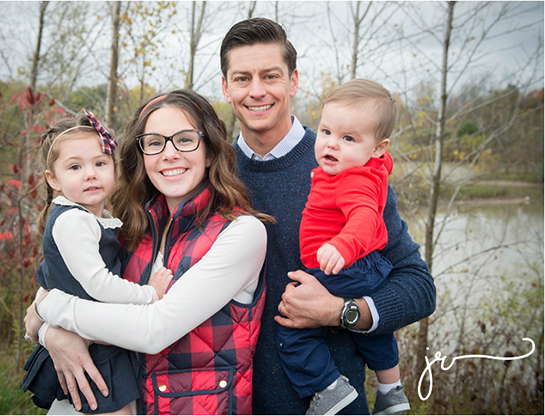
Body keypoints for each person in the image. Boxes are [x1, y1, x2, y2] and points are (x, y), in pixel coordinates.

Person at [220, 17, 436, 414]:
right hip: (229, 403)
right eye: (242, 78)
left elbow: (418, 288)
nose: (257, 91)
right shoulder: (211, 173)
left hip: (332, 406)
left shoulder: (348, 166)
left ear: (293, 81)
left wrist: (342, 311)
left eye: (270, 76)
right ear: (226, 87)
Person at [24, 89, 272, 415]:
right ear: (141, 155)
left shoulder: (241, 233)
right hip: (116, 401)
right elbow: (61, 286)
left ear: (210, 152)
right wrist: (50, 332)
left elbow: (153, 330)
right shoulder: (130, 226)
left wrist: (49, 312)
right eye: (154, 143)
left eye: (185, 140)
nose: (169, 154)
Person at [22, 110, 173, 414]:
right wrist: (149, 294)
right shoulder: (73, 221)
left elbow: (49, 277)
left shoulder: (95, 219)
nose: (90, 174)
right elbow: (99, 285)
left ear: (114, 169)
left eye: (100, 163)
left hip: (93, 335)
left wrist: (41, 314)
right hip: (94, 348)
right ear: (53, 179)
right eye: (75, 167)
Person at [276, 79, 409, 415]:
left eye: (348, 138)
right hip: (367, 267)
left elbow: (364, 217)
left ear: (378, 148)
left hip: (344, 266)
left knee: (293, 329)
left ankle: (329, 388)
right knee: (373, 333)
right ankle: (391, 390)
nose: (331, 144)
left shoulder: (352, 180)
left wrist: (342, 246)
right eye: (325, 132)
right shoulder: (366, 169)